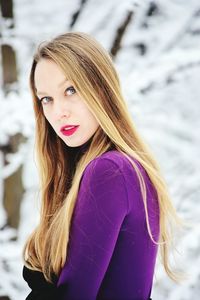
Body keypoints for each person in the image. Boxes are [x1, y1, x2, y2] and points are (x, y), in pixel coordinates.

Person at [22, 31, 182, 300]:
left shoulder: (110, 170)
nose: (58, 111)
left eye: (70, 90)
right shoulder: (120, 168)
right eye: (46, 99)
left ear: (101, 89)